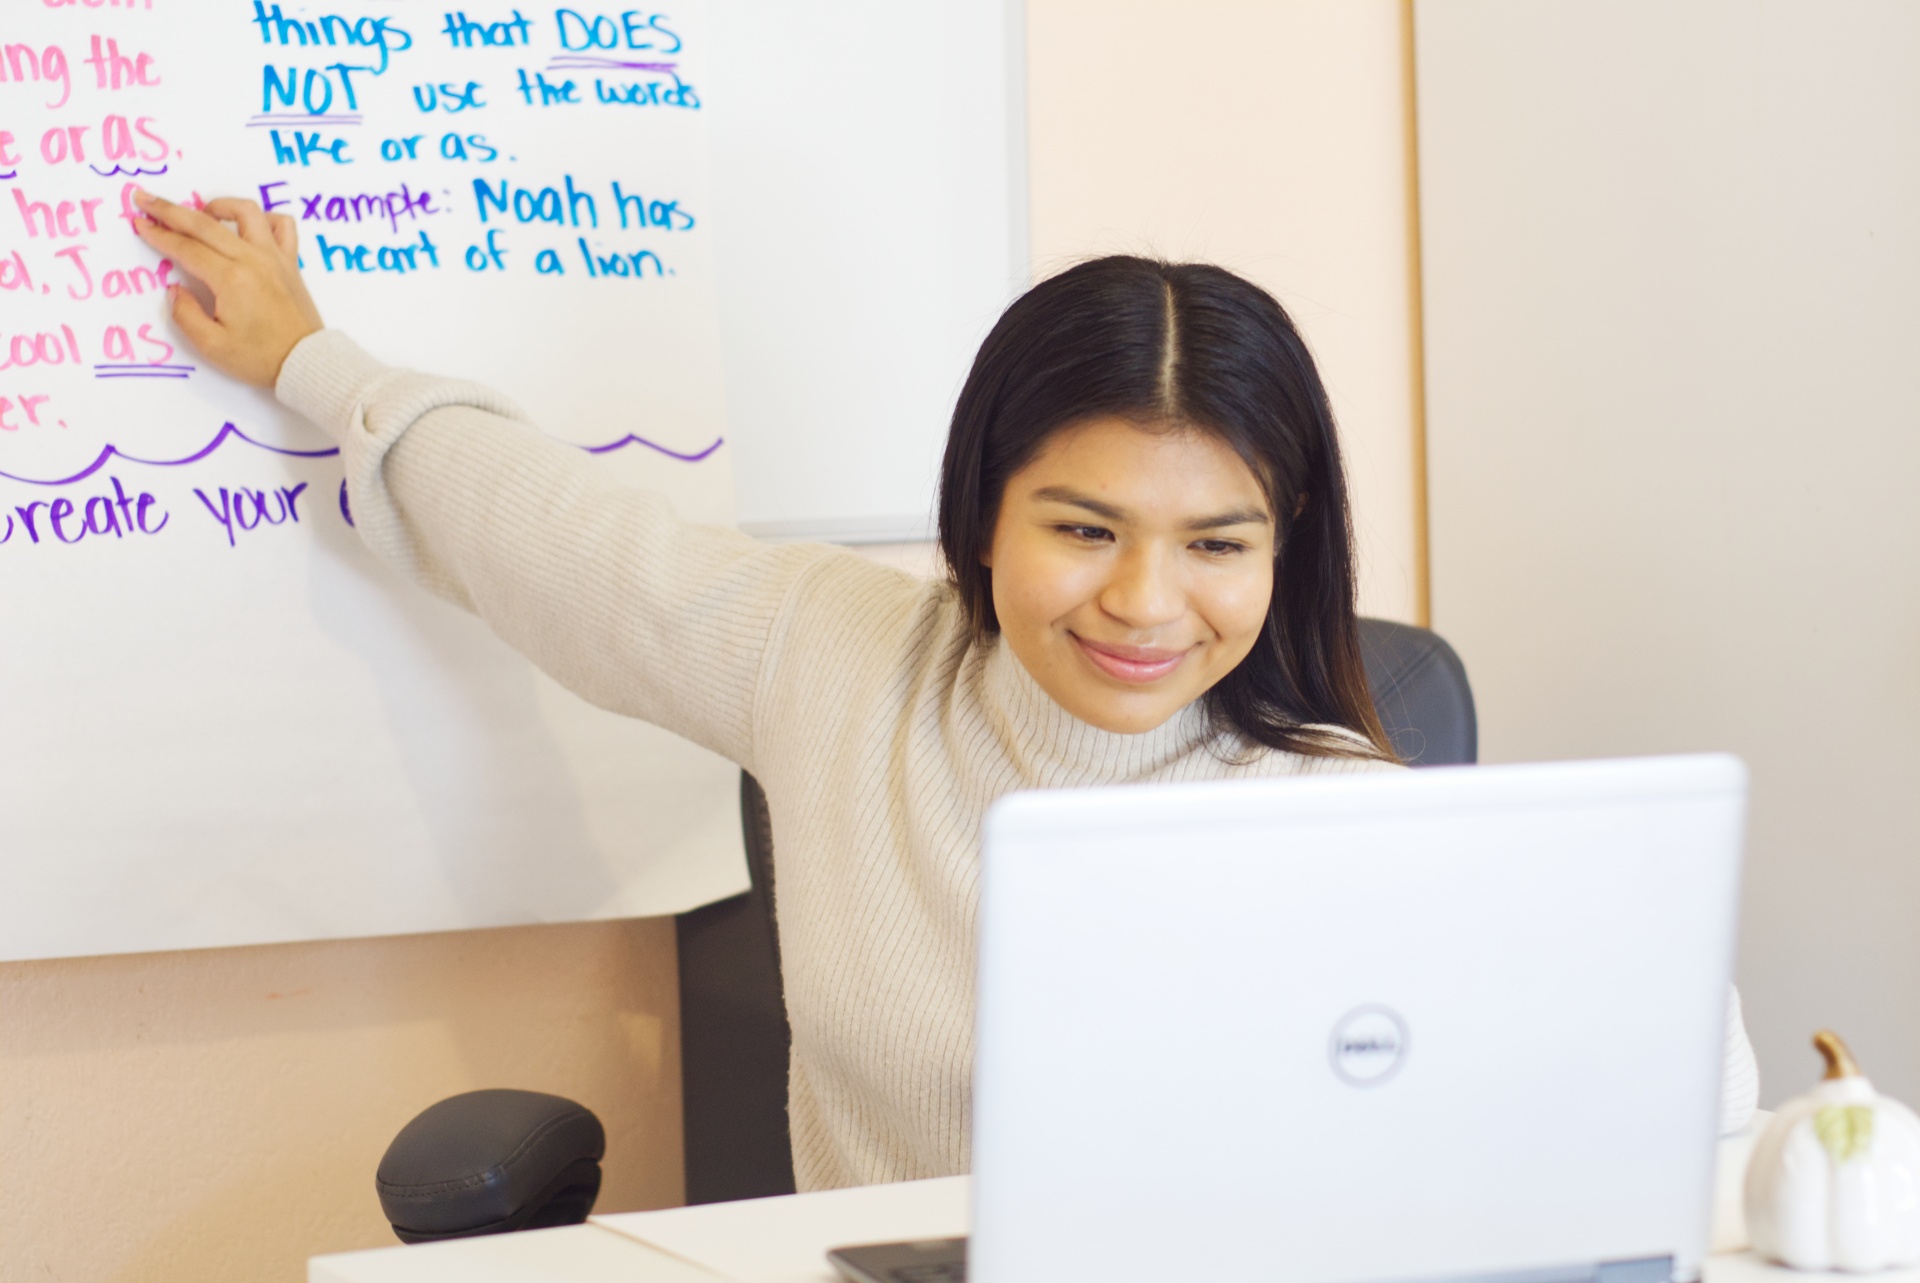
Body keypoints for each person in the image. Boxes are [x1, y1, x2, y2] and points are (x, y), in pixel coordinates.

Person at [129, 192, 1757, 1189]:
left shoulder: (1350, 809)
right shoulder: (830, 653)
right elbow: (548, 530)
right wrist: (310, 358)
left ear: (1287, 551)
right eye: (1082, 527)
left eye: (1216, 543)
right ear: (982, 508)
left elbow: (1660, 1089)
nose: (1143, 602)